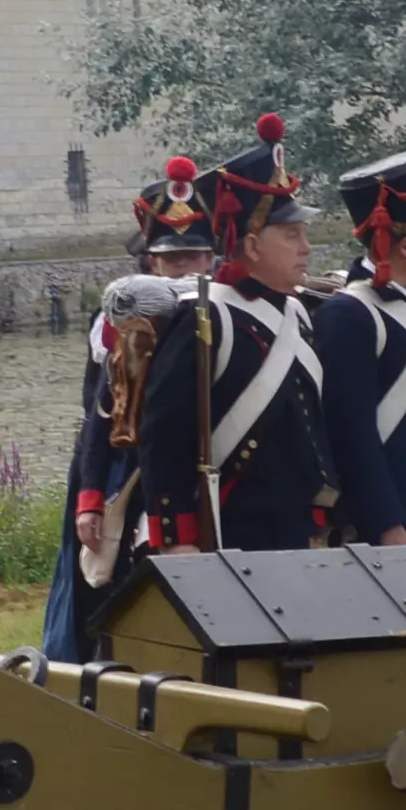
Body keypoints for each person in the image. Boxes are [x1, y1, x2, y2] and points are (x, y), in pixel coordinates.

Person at [138, 114, 331, 552]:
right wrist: (177, 541)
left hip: (298, 529)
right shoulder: (206, 319)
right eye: (291, 235)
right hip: (233, 536)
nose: (306, 248)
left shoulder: (298, 314)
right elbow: (163, 440)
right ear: (251, 245)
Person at [47, 162, 212, 656]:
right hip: (133, 473)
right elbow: (100, 415)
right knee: (112, 595)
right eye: (172, 259)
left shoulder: (225, 313)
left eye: (193, 257)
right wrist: (91, 498)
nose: (184, 268)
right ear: (153, 264)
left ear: (211, 258)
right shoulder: (126, 324)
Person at [314, 124, 406, 546]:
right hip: (393, 528)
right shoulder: (348, 316)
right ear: (403, 246)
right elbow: (353, 438)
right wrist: (387, 526)